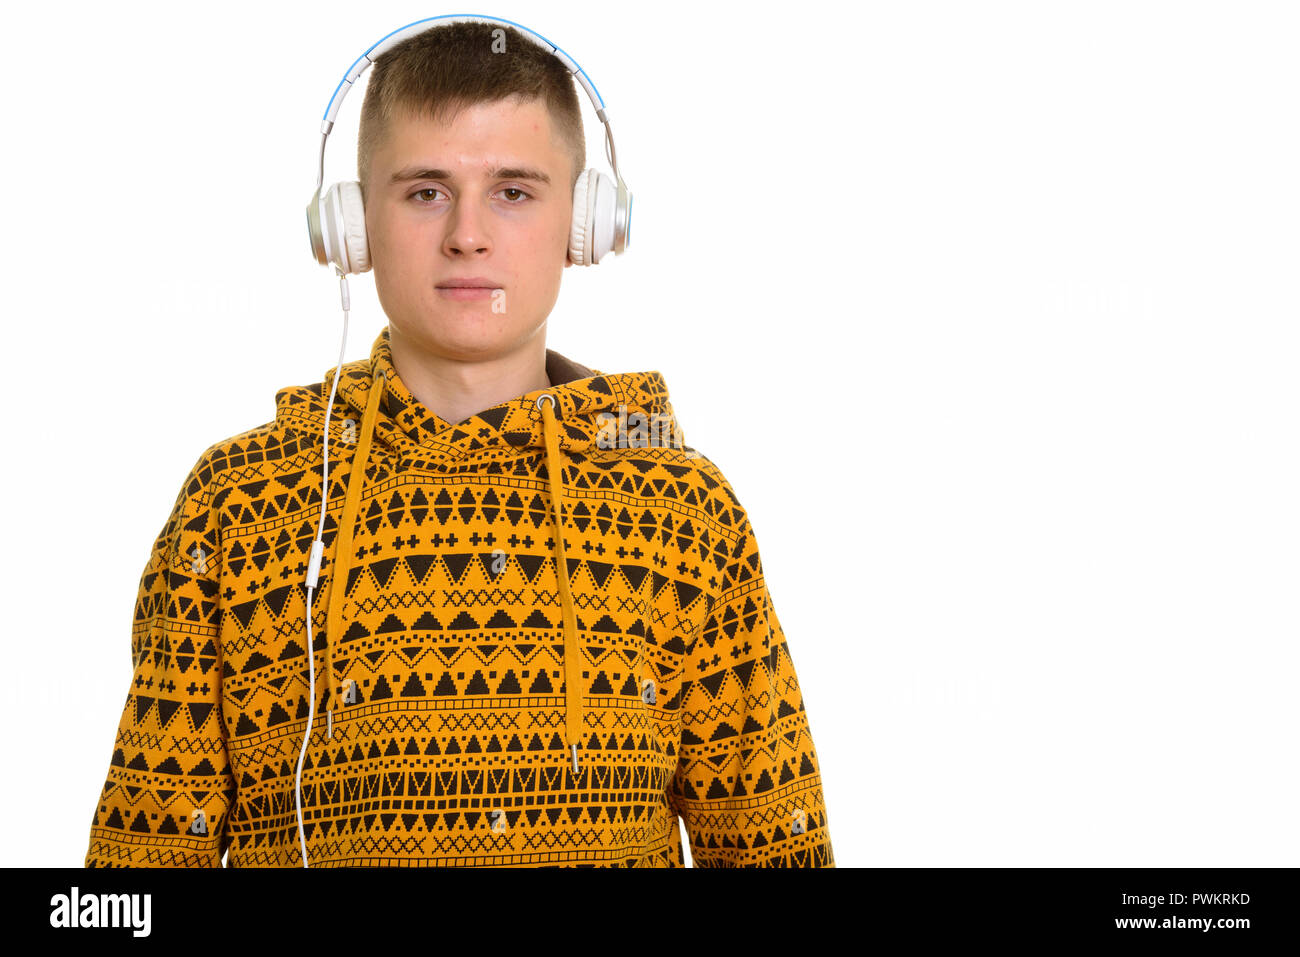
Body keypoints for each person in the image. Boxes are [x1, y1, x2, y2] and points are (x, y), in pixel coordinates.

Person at [83, 18, 834, 868]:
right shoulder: (235, 504)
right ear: (353, 227)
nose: (466, 235)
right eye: (426, 191)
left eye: (513, 191)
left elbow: (778, 849)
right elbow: (132, 876)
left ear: (586, 225)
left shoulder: (682, 507)